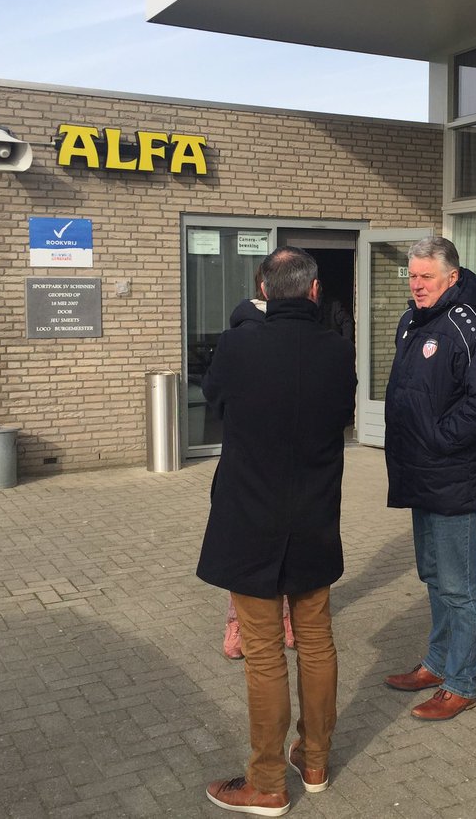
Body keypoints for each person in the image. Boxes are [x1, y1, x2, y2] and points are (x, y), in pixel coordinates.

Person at [199, 246, 357, 816]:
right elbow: (342, 413)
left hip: (250, 519)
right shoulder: (337, 351)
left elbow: (215, 400)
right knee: (316, 641)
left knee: (264, 652)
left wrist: (247, 318)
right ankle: (314, 761)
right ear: (314, 291)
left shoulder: (238, 344)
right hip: (313, 518)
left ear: (264, 290)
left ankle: (266, 784)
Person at [383, 235, 476, 721]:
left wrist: (439, 438)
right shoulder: (412, 322)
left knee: (461, 587)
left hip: (453, 475)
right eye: (412, 276)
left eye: (426, 277)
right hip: (419, 474)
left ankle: (462, 682)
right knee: (433, 576)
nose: (416, 285)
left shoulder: (469, 326)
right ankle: (436, 664)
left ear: (451, 277)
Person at [222, 265, 294, 660]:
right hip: (249, 462)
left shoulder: (299, 331)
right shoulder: (243, 334)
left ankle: (285, 617)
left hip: (289, 462)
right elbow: (218, 395)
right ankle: (238, 625)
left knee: (288, 546)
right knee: (247, 549)